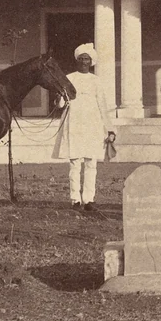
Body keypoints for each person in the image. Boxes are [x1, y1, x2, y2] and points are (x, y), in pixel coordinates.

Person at [52, 43, 114, 211]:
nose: (84, 62)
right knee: (75, 163)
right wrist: (58, 97)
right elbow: (60, 105)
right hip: (74, 123)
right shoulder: (69, 78)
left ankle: (89, 199)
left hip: (92, 124)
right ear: (76, 60)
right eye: (81, 59)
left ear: (91, 61)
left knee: (91, 163)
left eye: (86, 59)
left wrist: (110, 129)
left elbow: (102, 105)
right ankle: (75, 199)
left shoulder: (96, 81)